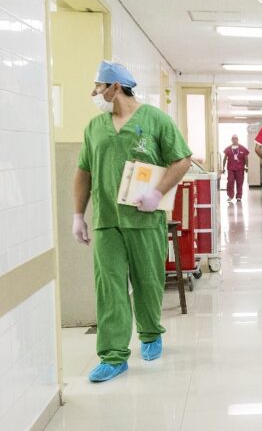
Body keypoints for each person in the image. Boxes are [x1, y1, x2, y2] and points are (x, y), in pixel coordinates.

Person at [71, 61, 192, 383]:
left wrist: (157, 192)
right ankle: (113, 355)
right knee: (109, 288)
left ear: (115, 87)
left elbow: (181, 160)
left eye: (98, 86)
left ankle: (151, 333)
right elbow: (84, 171)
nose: (95, 93)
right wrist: (77, 215)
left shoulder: (156, 120)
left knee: (148, 281)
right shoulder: (95, 127)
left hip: (145, 219)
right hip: (107, 220)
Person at [222, 134, 249, 202]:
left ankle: (239, 196)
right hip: (231, 169)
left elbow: (246, 158)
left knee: (239, 183)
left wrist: (247, 166)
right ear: (231, 140)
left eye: (236, 138)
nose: (234, 140)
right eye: (233, 138)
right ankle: (230, 196)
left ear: (238, 139)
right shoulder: (228, 149)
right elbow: (224, 158)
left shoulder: (243, 148)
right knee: (230, 182)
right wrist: (223, 167)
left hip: (240, 169)